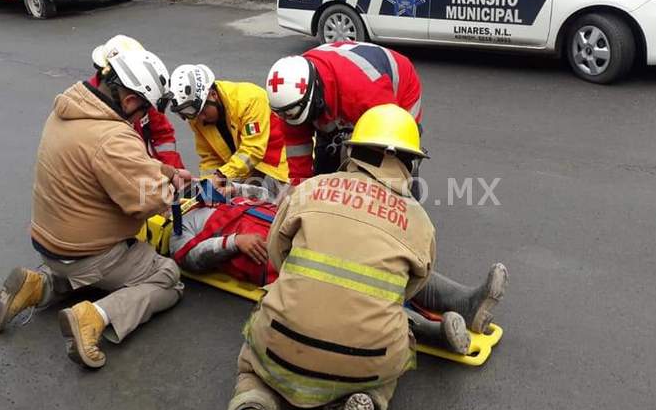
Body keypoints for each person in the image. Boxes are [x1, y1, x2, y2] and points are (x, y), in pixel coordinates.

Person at [204, 105, 448, 410]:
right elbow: (410, 290)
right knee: (397, 341)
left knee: (257, 371)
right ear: (410, 165)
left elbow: (276, 256)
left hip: (282, 341)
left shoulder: (309, 190)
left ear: (352, 152)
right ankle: (360, 407)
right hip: (366, 360)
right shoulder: (419, 222)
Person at [0, 48, 191, 370]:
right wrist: (173, 186)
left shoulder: (68, 111)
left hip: (50, 245)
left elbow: (116, 166)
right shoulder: (111, 137)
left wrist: (164, 171)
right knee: (167, 277)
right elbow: (148, 201)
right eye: (144, 111)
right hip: (89, 254)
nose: (142, 120)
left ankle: (39, 285)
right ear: (129, 101)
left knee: (90, 271)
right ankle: (94, 316)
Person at [167, 184, 506, 353]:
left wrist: (235, 188)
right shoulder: (178, 229)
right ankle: (434, 334)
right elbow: (189, 259)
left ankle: (466, 302)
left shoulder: (206, 194)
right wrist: (232, 243)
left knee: (379, 256)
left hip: (301, 230)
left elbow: (262, 192)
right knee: (354, 290)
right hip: (284, 263)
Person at [265, 41, 423, 184]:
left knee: (391, 163)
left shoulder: (365, 93)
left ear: (314, 98)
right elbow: (297, 150)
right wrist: (299, 190)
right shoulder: (289, 101)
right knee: (326, 161)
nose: (288, 119)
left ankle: (409, 197)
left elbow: (386, 142)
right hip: (335, 88)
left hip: (399, 87)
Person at [166, 64, 289, 199]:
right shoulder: (196, 117)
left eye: (202, 112)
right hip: (243, 171)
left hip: (276, 168)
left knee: (270, 210)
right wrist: (206, 187)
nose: (200, 118)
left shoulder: (250, 99)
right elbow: (210, 158)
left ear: (213, 95)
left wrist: (220, 176)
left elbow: (253, 151)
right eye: (194, 115)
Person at [91, 35, 187, 172]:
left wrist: (173, 172)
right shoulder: (91, 109)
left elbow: (162, 135)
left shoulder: (142, 95)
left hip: (148, 175)